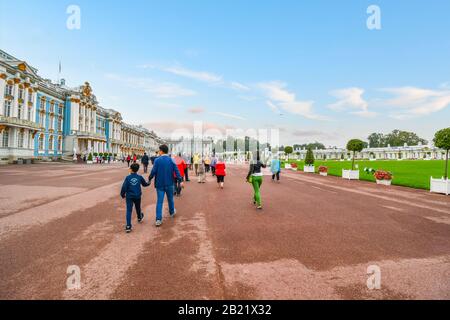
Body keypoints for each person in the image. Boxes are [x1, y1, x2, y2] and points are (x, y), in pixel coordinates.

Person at [149, 145, 183, 227]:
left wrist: (150, 178)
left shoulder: (157, 160)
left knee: (159, 201)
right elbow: (176, 171)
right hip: (169, 183)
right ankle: (171, 212)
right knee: (170, 199)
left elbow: (153, 171)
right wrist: (180, 180)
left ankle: (158, 219)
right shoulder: (171, 160)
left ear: (161, 151)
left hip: (159, 184)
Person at [120, 163, 150, 233]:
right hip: (137, 195)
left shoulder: (128, 178)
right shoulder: (139, 177)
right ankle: (139, 217)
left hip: (129, 196)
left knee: (129, 210)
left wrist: (122, 194)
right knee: (138, 207)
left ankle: (128, 226)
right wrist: (149, 183)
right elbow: (144, 184)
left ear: (131, 169)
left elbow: (124, 187)